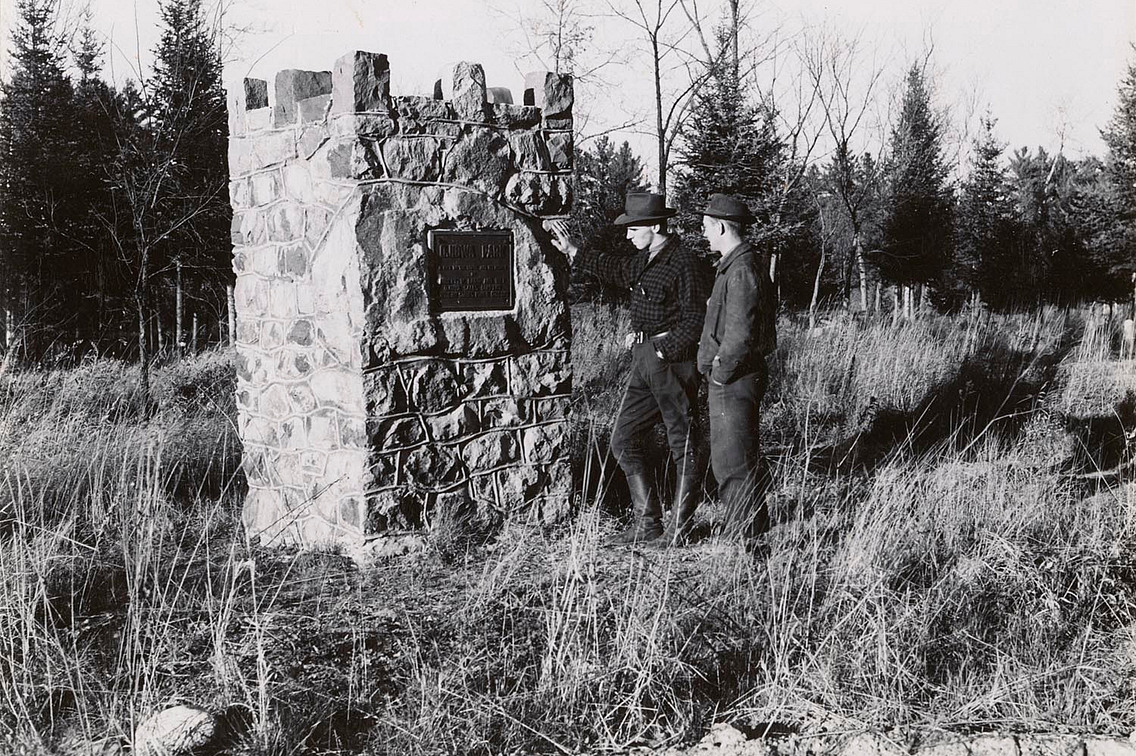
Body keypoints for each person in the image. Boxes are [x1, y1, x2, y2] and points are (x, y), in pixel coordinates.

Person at [548, 192, 709, 545]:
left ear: (654, 226)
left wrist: (663, 350)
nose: (627, 236)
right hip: (645, 358)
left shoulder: (684, 263)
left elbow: (697, 318)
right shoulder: (646, 257)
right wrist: (575, 251)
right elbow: (618, 270)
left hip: (671, 362)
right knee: (623, 438)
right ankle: (647, 523)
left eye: (633, 229)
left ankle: (678, 530)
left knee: (683, 443)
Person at [696, 193, 777, 541]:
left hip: (734, 380)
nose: (704, 234)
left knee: (732, 463)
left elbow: (740, 336)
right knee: (736, 459)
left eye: (706, 228)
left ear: (721, 226)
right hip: (734, 378)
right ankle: (748, 534)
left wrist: (719, 373)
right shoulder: (739, 265)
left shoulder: (741, 269)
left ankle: (745, 542)